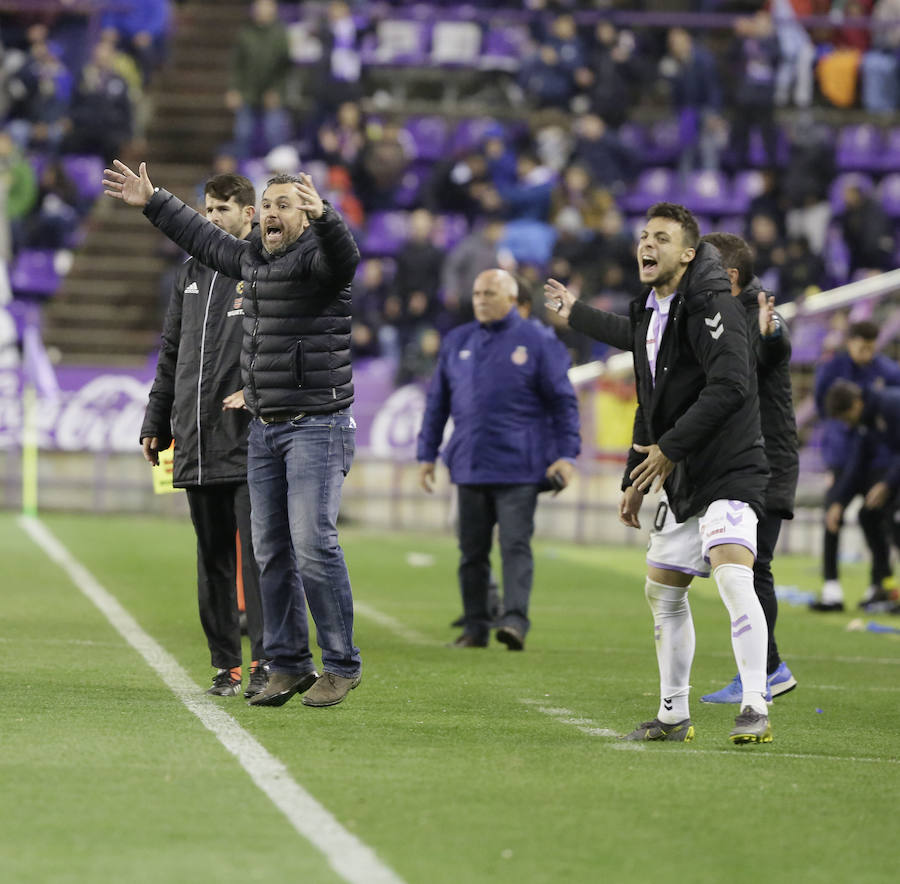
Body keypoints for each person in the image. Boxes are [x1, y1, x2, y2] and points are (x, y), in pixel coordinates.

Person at [103, 158, 362, 709]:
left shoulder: (320, 259)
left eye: (283, 206)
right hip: (266, 429)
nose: (272, 215)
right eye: (267, 206)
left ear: (304, 215)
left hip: (316, 423)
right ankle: (288, 664)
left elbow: (346, 258)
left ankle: (341, 664)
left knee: (313, 545)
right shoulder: (250, 260)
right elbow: (200, 233)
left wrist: (328, 217)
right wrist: (153, 200)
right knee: (269, 552)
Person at [545, 203, 772, 745]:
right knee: (663, 591)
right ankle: (673, 715)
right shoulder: (652, 312)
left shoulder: (712, 303)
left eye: (662, 238)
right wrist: (635, 477)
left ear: (689, 255)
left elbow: (732, 385)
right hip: (680, 471)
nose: (647, 245)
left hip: (729, 465)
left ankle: (755, 703)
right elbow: (650, 399)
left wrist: (668, 449)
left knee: (732, 573)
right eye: (644, 236)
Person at [140, 173, 267, 700]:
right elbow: (171, 352)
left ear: (249, 215)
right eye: (207, 209)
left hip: (247, 438)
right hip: (194, 440)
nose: (211, 218)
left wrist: (256, 391)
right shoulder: (190, 272)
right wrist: (155, 421)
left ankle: (266, 661)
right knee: (211, 558)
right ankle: (225, 666)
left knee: (259, 558)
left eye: (221, 210)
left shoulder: (260, 270)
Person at [416, 269, 581, 651]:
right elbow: (437, 403)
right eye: (476, 292)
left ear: (511, 299)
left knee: (514, 545)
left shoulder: (538, 340)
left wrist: (567, 454)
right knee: (471, 551)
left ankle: (514, 621)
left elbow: (563, 403)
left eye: (490, 292)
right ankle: (475, 626)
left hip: (520, 466)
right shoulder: (457, 341)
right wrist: (426, 454)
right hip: (470, 462)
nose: (480, 299)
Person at [697, 233, 798, 703]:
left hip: (767, 458)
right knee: (746, 567)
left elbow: (774, 348)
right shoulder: (722, 309)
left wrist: (771, 332)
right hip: (745, 455)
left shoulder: (758, 311)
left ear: (730, 277)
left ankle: (766, 671)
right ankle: (767, 667)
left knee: (752, 566)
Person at [811, 320, 900, 611]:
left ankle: (881, 584)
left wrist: (887, 483)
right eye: (862, 347)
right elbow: (826, 412)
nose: (867, 354)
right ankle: (832, 588)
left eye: (871, 348)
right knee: (837, 513)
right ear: (850, 342)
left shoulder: (887, 381)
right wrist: (837, 497)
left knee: (881, 516)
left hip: (885, 462)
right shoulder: (832, 370)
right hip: (845, 458)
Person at [824, 379, 900, 612]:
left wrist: (887, 484)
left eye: (847, 417)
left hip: (893, 475)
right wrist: (838, 501)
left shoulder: (892, 404)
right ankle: (883, 584)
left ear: (856, 404)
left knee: (896, 519)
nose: (847, 423)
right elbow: (856, 465)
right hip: (892, 473)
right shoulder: (865, 423)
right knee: (868, 515)